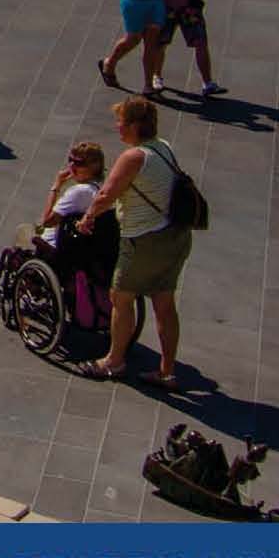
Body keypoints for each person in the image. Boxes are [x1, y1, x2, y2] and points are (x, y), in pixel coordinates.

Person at [74, 95, 191, 386]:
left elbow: (106, 195)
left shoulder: (133, 157)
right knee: (164, 302)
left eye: (122, 122)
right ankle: (166, 370)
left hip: (143, 240)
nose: (118, 127)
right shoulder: (163, 147)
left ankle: (113, 361)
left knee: (120, 298)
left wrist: (87, 218)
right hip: (175, 236)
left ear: (136, 125)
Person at [19, 141, 108, 253]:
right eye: (70, 160)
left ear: (94, 167)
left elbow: (47, 222)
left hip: (53, 246)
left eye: (78, 163)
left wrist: (56, 186)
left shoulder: (79, 191)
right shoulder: (101, 188)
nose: (71, 166)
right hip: (80, 246)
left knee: (22, 231)